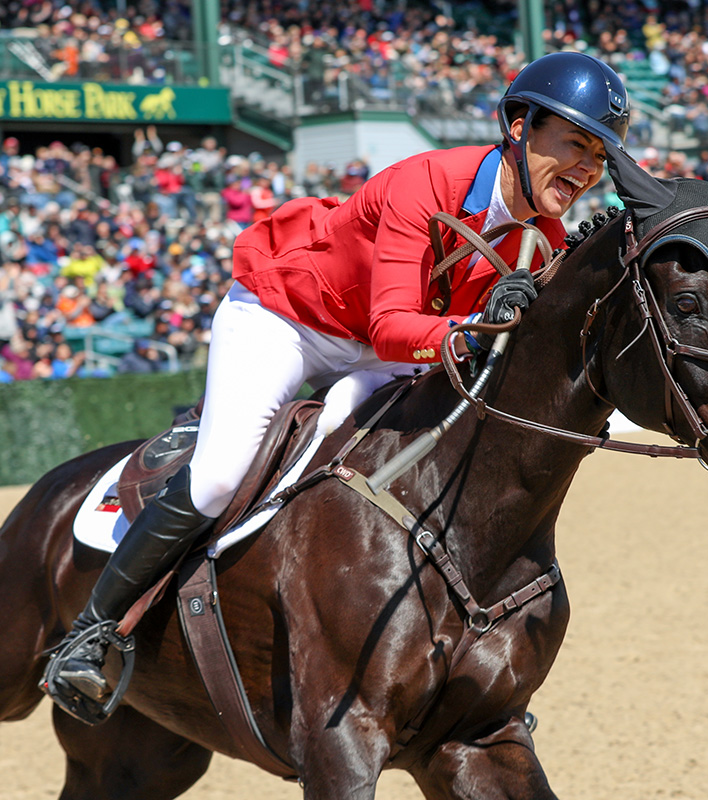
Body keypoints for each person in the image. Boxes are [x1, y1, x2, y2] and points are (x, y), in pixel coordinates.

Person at [42, 51, 631, 714]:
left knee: (419, 447)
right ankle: (91, 634)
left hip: (382, 351)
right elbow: (389, 328)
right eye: (575, 144)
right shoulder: (424, 183)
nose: (586, 170)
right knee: (217, 475)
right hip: (287, 317)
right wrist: (470, 330)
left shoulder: (547, 239)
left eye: (600, 157)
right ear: (520, 127)